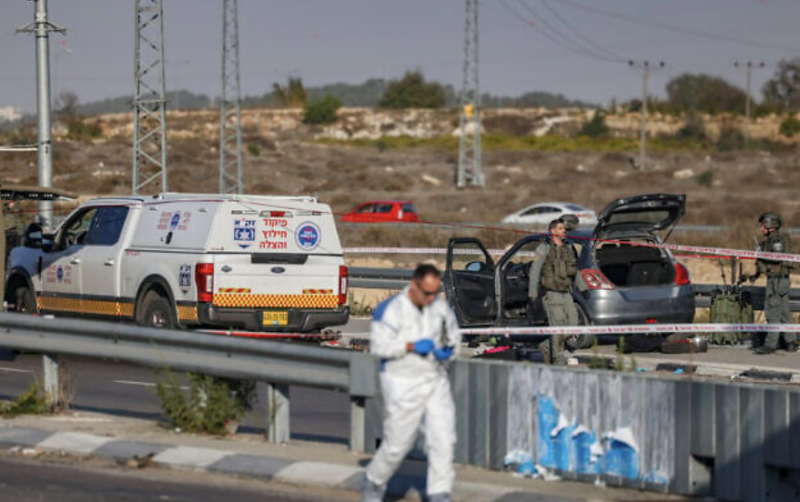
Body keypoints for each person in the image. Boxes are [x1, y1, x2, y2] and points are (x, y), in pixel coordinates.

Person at [362, 264, 461, 502]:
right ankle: (374, 481)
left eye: (435, 293)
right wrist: (410, 346)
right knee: (397, 446)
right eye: (426, 293)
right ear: (414, 285)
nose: (431, 298)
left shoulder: (440, 307)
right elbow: (379, 347)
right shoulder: (391, 310)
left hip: (435, 379)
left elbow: (454, 338)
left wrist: (448, 350)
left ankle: (439, 493)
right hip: (401, 381)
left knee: (443, 439)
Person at [531, 219, 579, 364]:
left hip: (566, 292)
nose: (564, 231)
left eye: (564, 228)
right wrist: (532, 293)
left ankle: (546, 346)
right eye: (560, 228)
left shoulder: (568, 248)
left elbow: (575, 270)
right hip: (552, 294)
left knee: (573, 325)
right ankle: (558, 360)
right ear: (552, 231)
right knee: (557, 328)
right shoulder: (543, 248)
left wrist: (584, 288)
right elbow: (535, 271)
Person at [748, 212, 797, 354]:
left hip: (776, 280)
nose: (762, 228)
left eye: (764, 225)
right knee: (784, 312)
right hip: (780, 280)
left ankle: (770, 344)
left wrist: (760, 253)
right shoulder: (774, 239)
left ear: (770, 225)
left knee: (772, 312)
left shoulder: (776, 241)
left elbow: (776, 258)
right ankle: (791, 342)